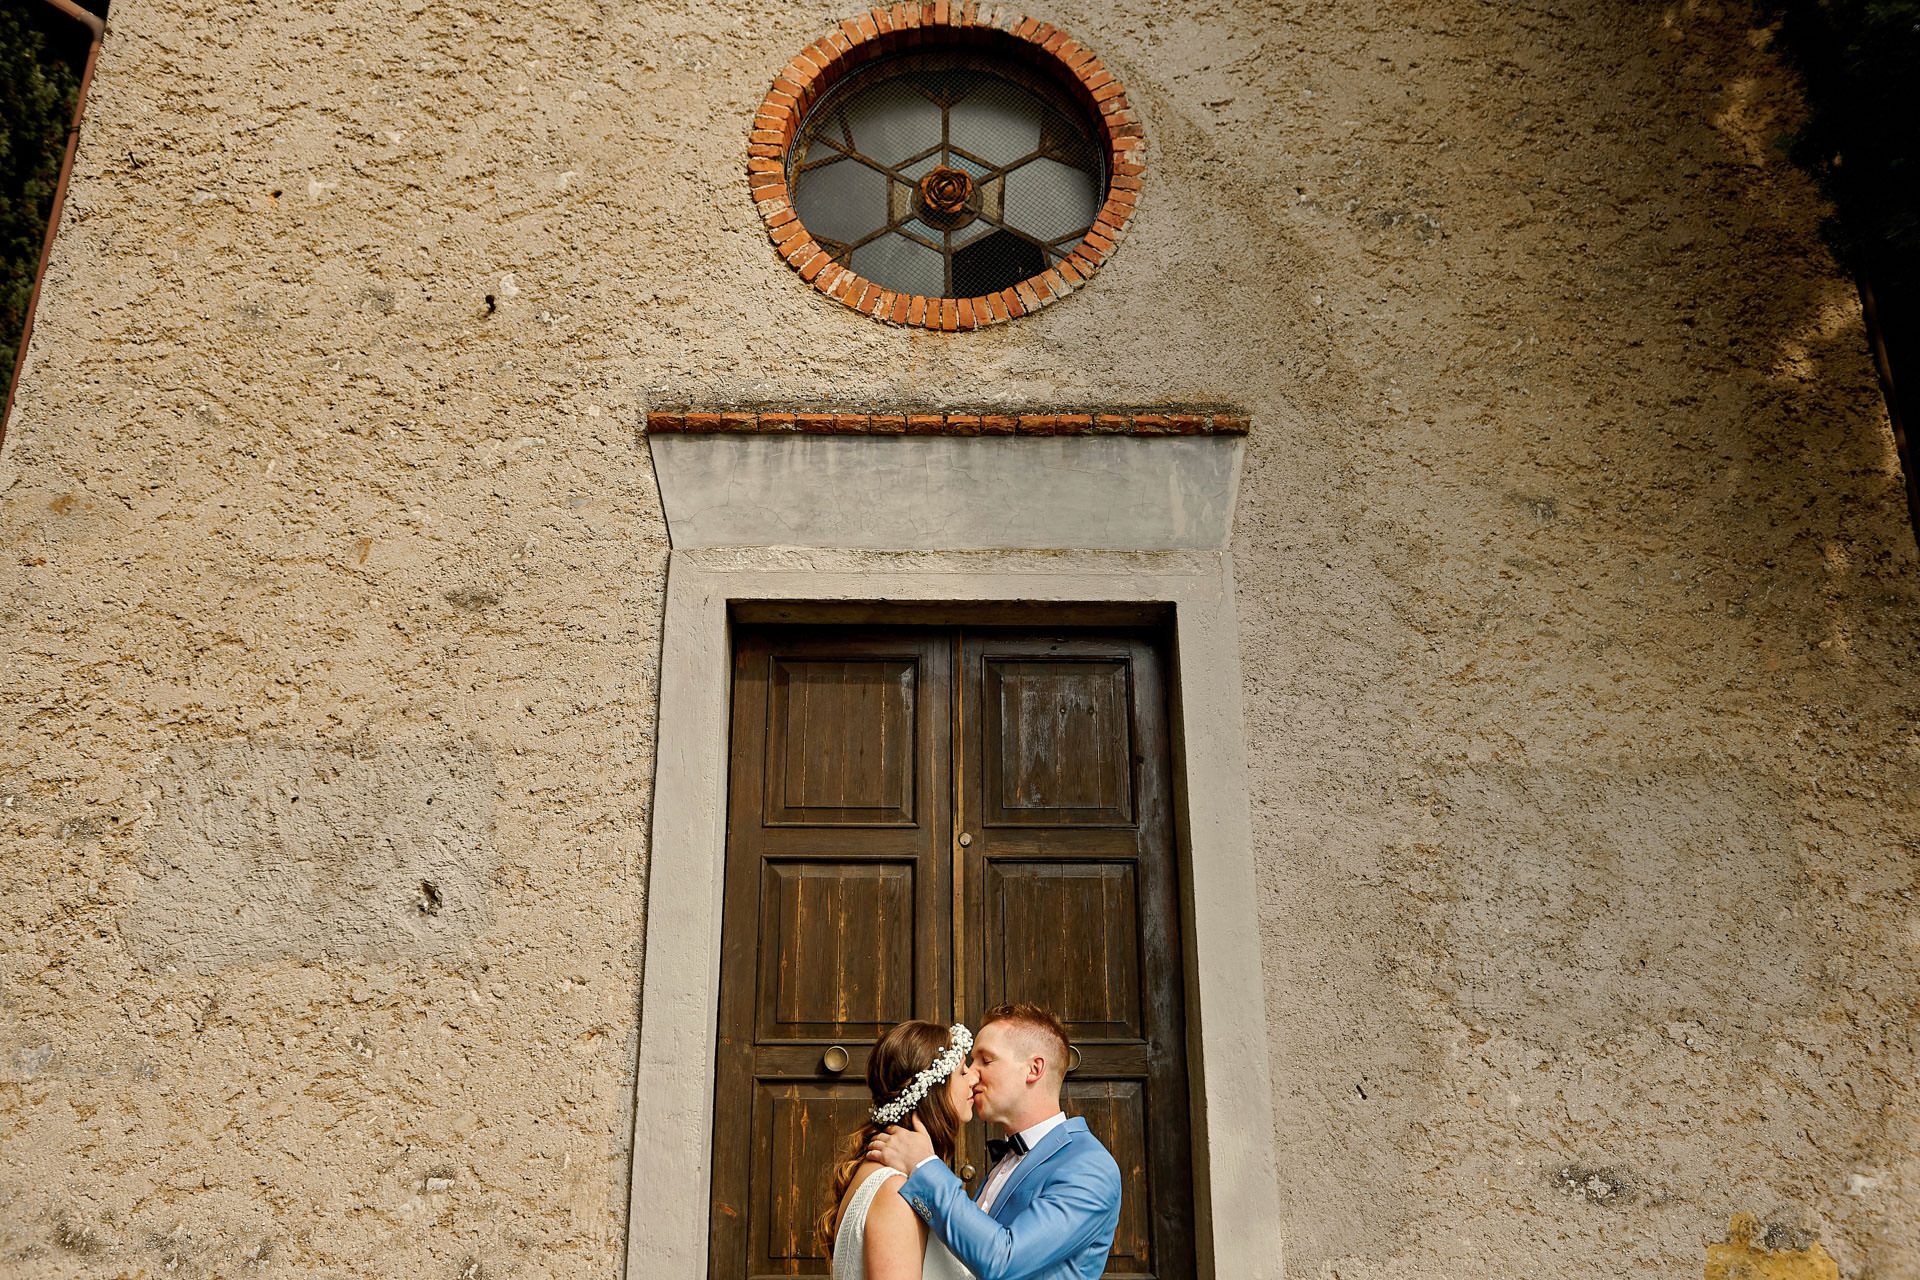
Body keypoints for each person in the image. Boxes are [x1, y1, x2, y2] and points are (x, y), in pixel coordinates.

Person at [868, 1004, 1121, 1280]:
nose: (972, 1074)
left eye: (986, 1061)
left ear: (1033, 1069)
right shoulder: (1009, 1159)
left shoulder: (1089, 1166)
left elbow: (1005, 1261)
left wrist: (924, 1166)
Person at [823, 1020, 982, 1280]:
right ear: (933, 1091)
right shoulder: (896, 1192)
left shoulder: (891, 1176)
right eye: (962, 1072)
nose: (974, 1077)